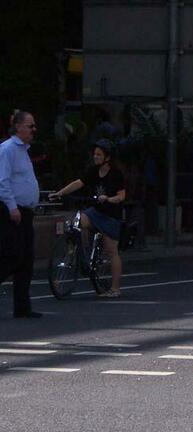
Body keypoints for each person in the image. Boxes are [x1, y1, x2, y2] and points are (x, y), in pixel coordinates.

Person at [49, 139, 126, 298]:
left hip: (110, 215)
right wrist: (60, 193)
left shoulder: (116, 174)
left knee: (112, 251)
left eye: (99, 154)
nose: (95, 157)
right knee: (77, 222)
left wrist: (110, 199)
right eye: (94, 154)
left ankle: (115, 288)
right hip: (95, 212)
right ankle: (79, 253)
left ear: (107, 157)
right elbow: (78, 183)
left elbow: (121, 196)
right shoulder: (93, 171)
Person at [0, 111, 42, 318]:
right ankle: (21, 306)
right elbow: (3, 180)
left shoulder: (23, 150)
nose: (34, 130)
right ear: (18, 126)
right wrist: (12, 206)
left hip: (26, 211)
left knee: (26, 260)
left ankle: (22, 307)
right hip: (13, 211)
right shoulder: (8, 149)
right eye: (30, 125)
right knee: (12, 256)